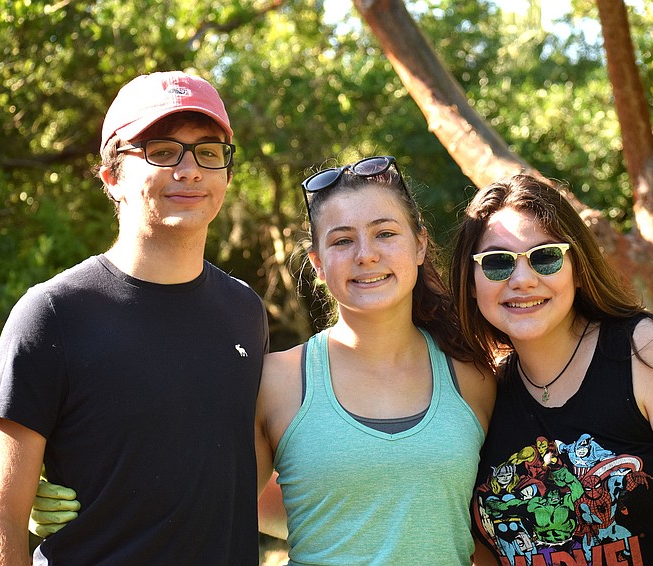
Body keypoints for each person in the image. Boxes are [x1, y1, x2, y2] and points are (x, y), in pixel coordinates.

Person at [29, 155, 496, 564]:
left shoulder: (477, 378)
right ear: (316, 264)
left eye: (385, 233)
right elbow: (213, 497)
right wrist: (80, 493)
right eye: (341, 241)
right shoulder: (277, 381)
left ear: (419, 245)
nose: (366, 255)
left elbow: (501, 515)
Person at [0, 70, 268, 565]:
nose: (189, 169)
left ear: (227, 174)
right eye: (162, 150)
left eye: (208, 152)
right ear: (112, 177)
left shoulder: (245, 311)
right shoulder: (52, 314)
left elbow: (234, 476)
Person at [450, 175, 653, 565]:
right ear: (470, 282)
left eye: (546, 256)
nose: (522, 280)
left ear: (579, 268)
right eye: (498, 263)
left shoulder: (651, 354)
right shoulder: (479, 395)